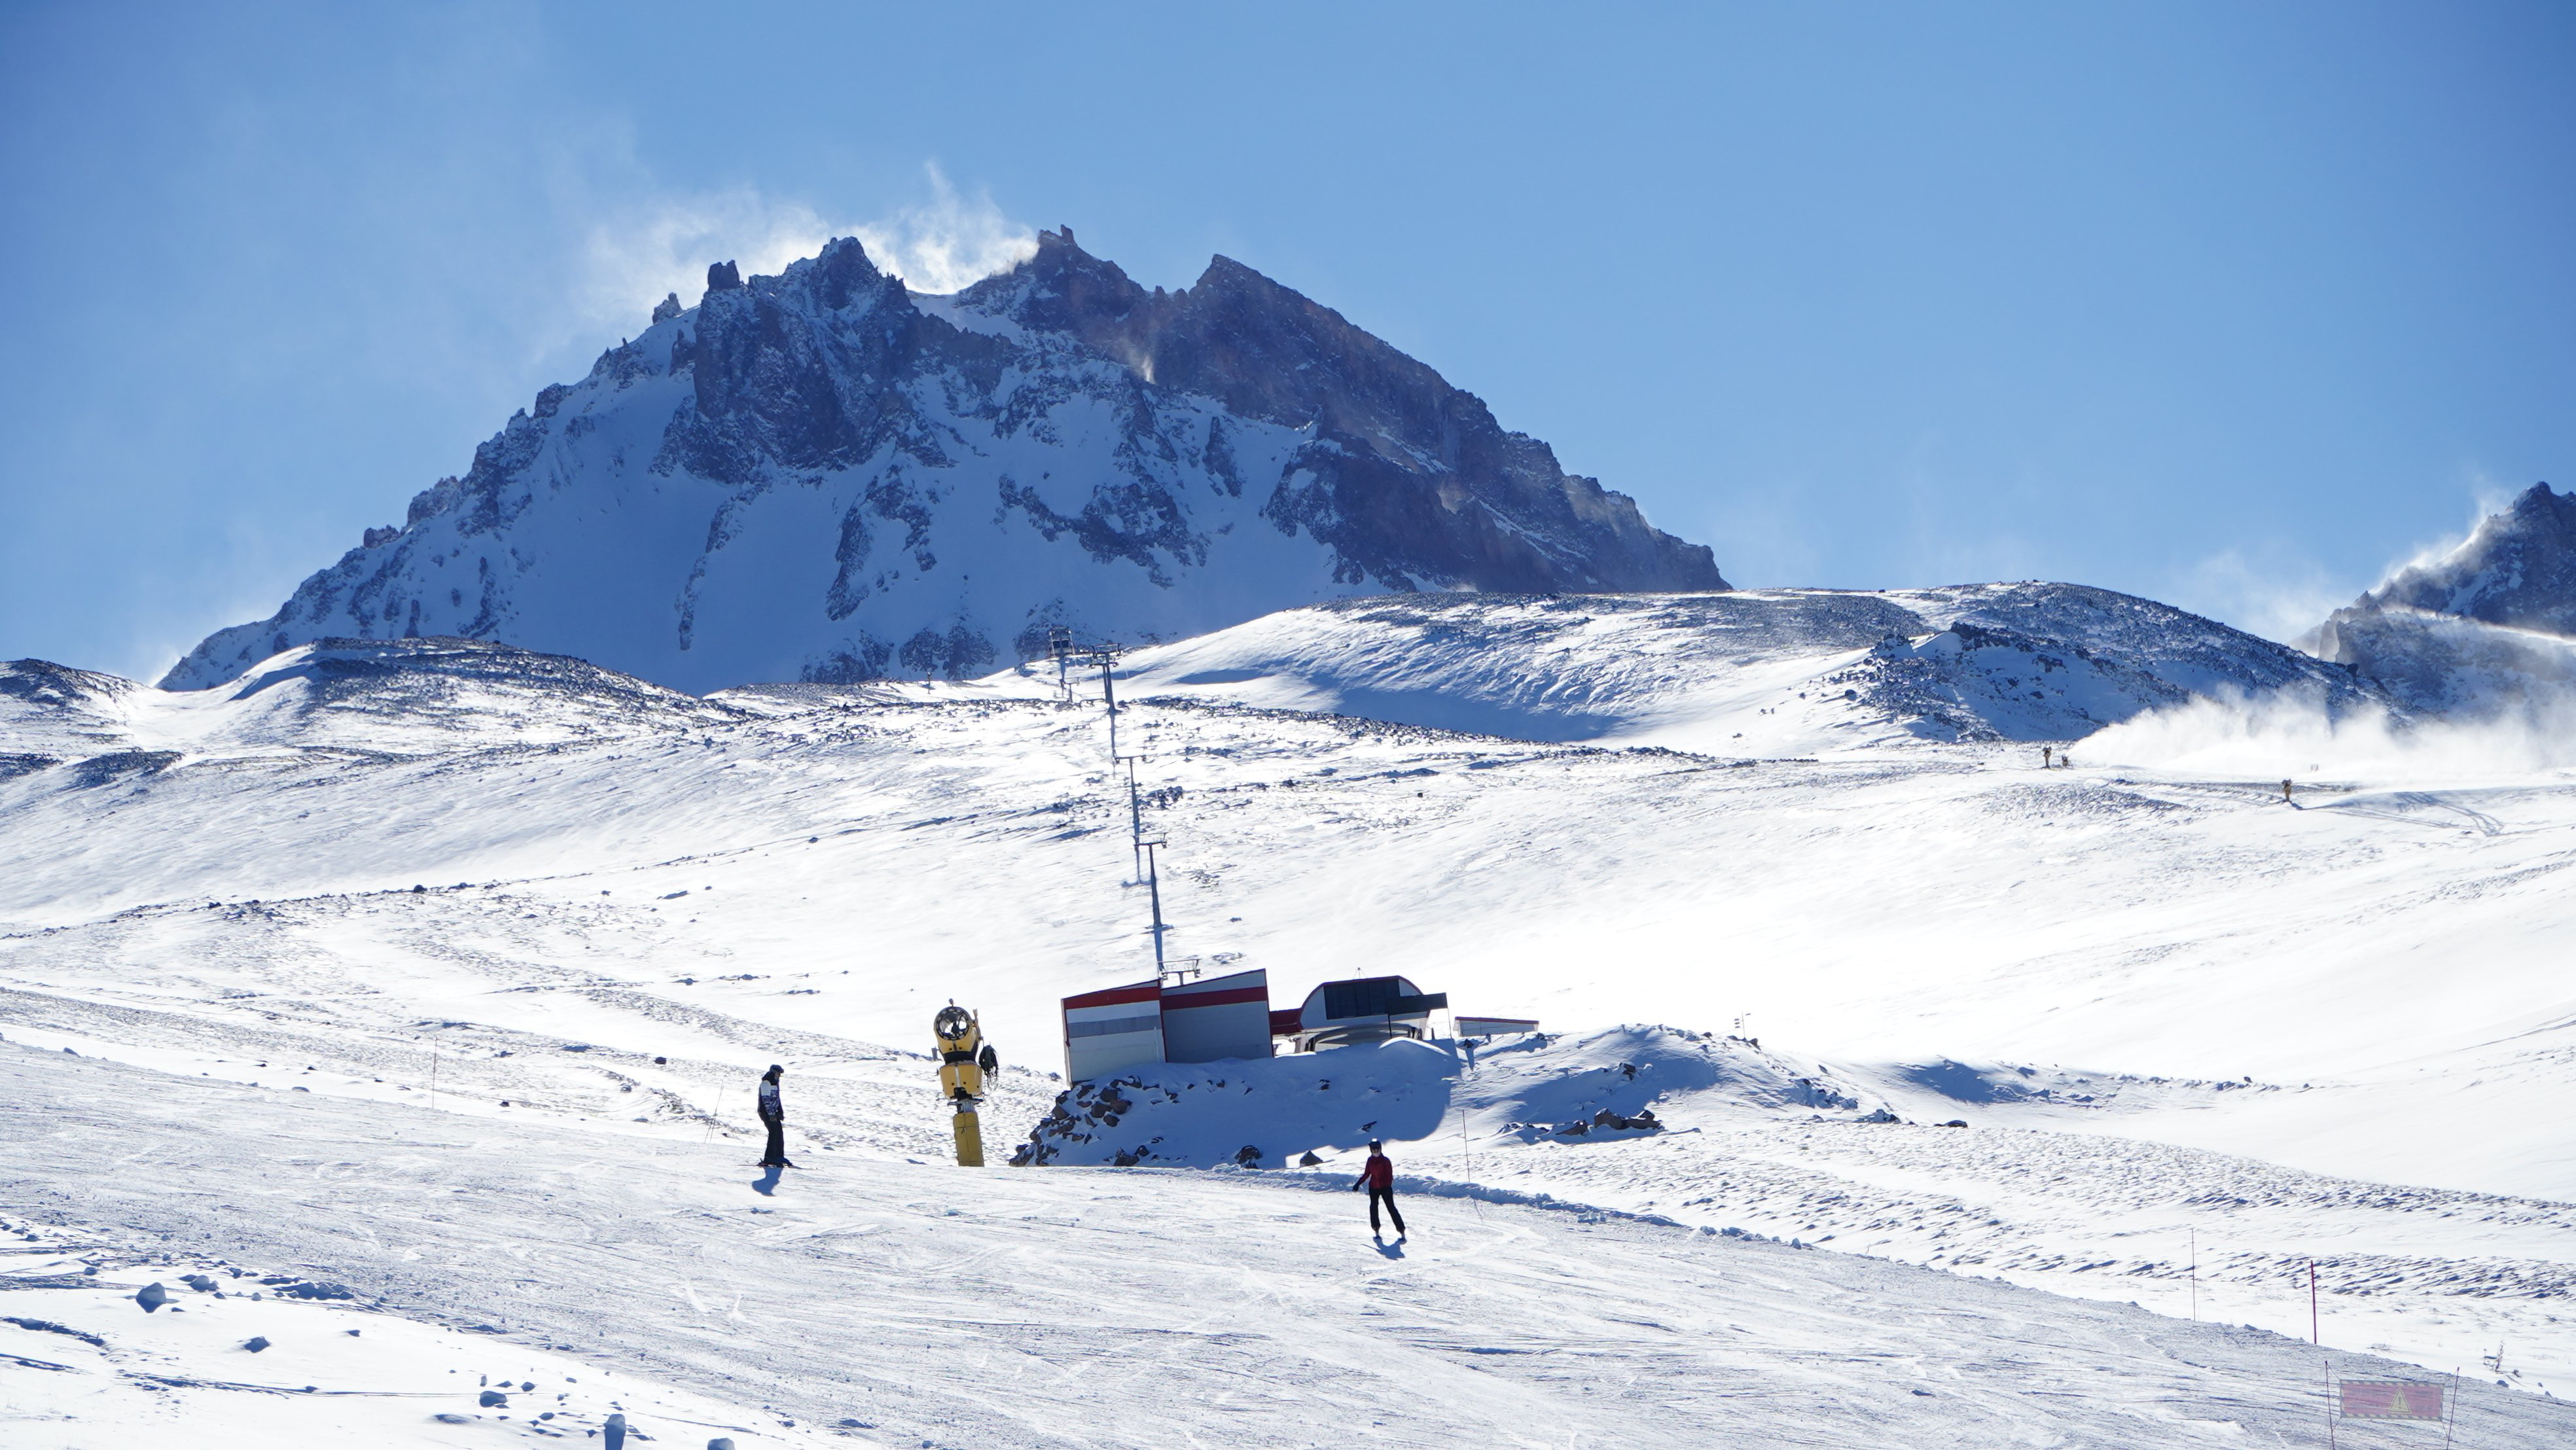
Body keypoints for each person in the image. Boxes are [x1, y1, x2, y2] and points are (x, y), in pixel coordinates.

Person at [1353, 1140, 1405, 1238]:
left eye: (1377, 1149)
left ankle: (1401, 1229)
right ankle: (1376, 1228)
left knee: (1391, 1208)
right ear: (1371, 1150)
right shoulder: (1370, 1160)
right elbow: (1367, 1174)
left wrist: (1387, 1186)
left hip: (1385, 1188)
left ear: (1380, 1149)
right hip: (1373, 1188)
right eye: (1374, 1149)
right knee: (1373, 1207)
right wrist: (1358, 1184)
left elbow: (1389, 1175)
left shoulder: (1386, 1161)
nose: (1376, 1151)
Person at [757, 1064, 795, 1168]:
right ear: (774, 1072)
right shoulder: (766, 1083)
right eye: (778, 1074)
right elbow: (766, 1101)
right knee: (773, 1132)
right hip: (766, 1112)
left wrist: (780, 1112)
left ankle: (779, 1156)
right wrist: (771, 1114)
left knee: (779, 1132)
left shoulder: (775, 1083)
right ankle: (769, 1157)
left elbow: (777, 1099)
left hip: (774, 1113)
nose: (779, 1076)